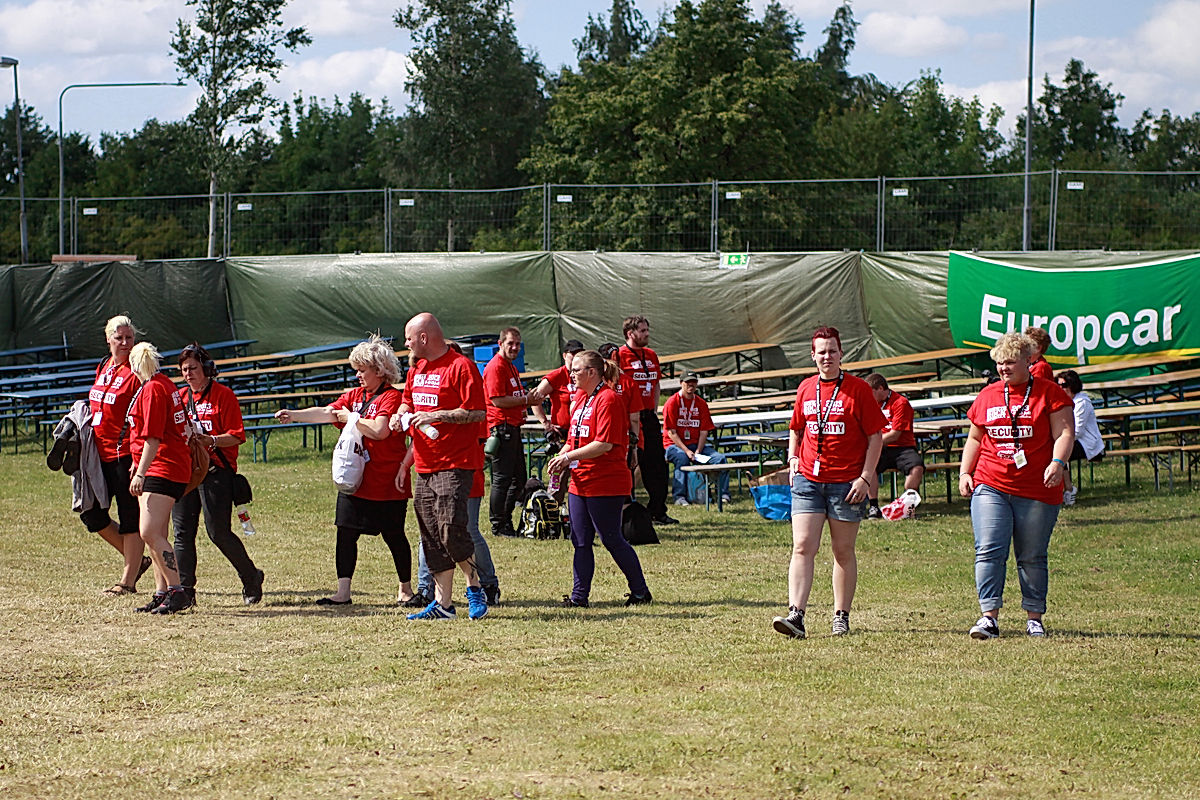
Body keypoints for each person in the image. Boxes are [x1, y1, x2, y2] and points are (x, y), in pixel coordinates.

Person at [275, 335, 415, 607]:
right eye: (356, 370)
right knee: (345, 532)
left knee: (394, 535)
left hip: (386, 481)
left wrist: (351, 418)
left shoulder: (391, 397)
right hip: (355, 480)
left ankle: (405, 590)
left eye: (362, 370)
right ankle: (343, 592)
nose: (358, 375)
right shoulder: (355, 396)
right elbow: (329, 412)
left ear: (379, 370)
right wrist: (295, 415)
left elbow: (380, 430)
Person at [959, 332, 1075, 639]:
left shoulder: (1050, 393)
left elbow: (1065, 433)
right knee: (988, 550)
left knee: (1032, 554)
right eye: (999, 363)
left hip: (1037, 487)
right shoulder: (987, 395)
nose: (1003, 368)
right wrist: (965, 472)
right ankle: (988, 617)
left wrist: (1058, 463)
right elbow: (975, 437)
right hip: (991, 482)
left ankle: (1034, 618)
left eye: (1010, 362)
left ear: (1029, 360)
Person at [773, 326, 885, 639]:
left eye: (832, 350)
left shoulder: (859, 389)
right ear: (812, 355)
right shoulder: (806, 388)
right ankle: (796, 615)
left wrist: (865, 477)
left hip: (845, 484)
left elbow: (875, 437)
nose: (827, 356)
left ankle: (841, 615)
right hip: (809, 480)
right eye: (821, 351)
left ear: (841, 353)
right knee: (802, 546)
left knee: (842, 550)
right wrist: (793, 458)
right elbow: (796, 427)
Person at [391, 313, 489, 621]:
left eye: (408, 338)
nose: (405, 344)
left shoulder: (461, 366)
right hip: (425, 463)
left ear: (423, 338)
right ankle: (444, 604)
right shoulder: (417, 368)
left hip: (455, 462)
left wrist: (437, 415)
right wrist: (400, 414)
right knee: (431, 534)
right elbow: (408, 401)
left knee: (451, 530)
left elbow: (475, 413)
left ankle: (475, 587)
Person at [547, 349, 652, 608]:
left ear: (592, 372)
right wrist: (561, 455)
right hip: (580, 481)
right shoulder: (581, 399)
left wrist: (569, 457)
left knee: (610, 538)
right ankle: (579, 597)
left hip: (605, 480)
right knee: (579, 539)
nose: (572, 374)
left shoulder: (609, 399)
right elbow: (573, 439)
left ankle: (640, 591)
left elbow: (604, 443)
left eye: (577, 370)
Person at [171, 343, 265, 606]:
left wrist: (209, 440)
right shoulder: (179, 397)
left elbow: (237, 436)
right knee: (182, 531)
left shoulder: (223, 395)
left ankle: (251, 577)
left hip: (216, 471)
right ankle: (186, 591)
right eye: (184, 369)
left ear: (207, 369)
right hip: (188, 472)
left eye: (193, 368)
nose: (188, 374)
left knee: (218, 532)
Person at [79, 315, 150, 596]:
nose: (124, 343)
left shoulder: (137, 370)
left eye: (129, 338)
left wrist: (140, 459)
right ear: (108, 339)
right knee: (91, 513)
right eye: (118, 338)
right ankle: (143, 560)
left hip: (125, 454)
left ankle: (127, 580)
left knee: (130, 516)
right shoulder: (104, 365)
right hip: (98, 454)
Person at [126, 342, 195, 615]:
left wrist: (141, 471)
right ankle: (162, 591)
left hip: (163, 466)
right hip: (163, 465)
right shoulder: (163, 383)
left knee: (149, 532)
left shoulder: (154, 389)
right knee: (157, 534)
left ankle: (178, 591)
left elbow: (153, 438)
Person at [483, 327, 546, 537]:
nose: (514, 347)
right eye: (510, 343)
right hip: (501, 427)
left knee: (519, 477)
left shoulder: (511, 367)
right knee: (502, 478)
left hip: (514, 426)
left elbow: (515, 394)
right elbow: (497, 400)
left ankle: (506, 519)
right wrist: (527, 400)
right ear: (500, 344)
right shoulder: (495, 367)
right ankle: (498, 524)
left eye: (518, 344)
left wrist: (530, 397)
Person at [617, 316, 677, 525]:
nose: (646, 334)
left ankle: (658, 510)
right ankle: (628, 509)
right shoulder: (619, 355)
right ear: (630, 334)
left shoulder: (651, 355)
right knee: (630, 462)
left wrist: (654, 406)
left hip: (648, 415)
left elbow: (656, 382)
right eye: (642, 331)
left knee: (657, 464)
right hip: (629, 416)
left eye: (647, 330)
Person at [863, 373, 925, 519]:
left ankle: (907, 506)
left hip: (902, 447)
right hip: (880, 447)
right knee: (868, 465)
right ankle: (873, 506)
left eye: (871, 393)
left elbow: (895, 434)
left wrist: (873, 443)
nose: (869, 396)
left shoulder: (900, 403)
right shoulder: (869, 404)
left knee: (917, 468)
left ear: (880, 388)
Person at [662, 371, 729, 505]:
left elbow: (704, 431)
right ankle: (679, 497)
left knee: (720, 459)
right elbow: (671, 433)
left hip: (696, 445)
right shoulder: (672, 402)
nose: (691, 385)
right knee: (682, 458)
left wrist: (698, 450)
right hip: (674, 446)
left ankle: (723, 494)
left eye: (693, 382)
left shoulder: (701, 404)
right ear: (681, 383)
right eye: (687, 382)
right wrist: (687, 451)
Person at [1055, 369, 1105, 507]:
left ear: (1072, 385)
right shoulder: (1063, 401)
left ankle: (1069, 491)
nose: (1060, 388)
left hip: (1087, 443)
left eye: (1063, 385)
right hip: (1072, 440)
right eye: (1058, 385)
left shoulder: (1082, 402)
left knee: (1058, 452)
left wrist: (1060, 439)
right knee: (1056, 451)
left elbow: (1077, 431)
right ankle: (1065, 490)